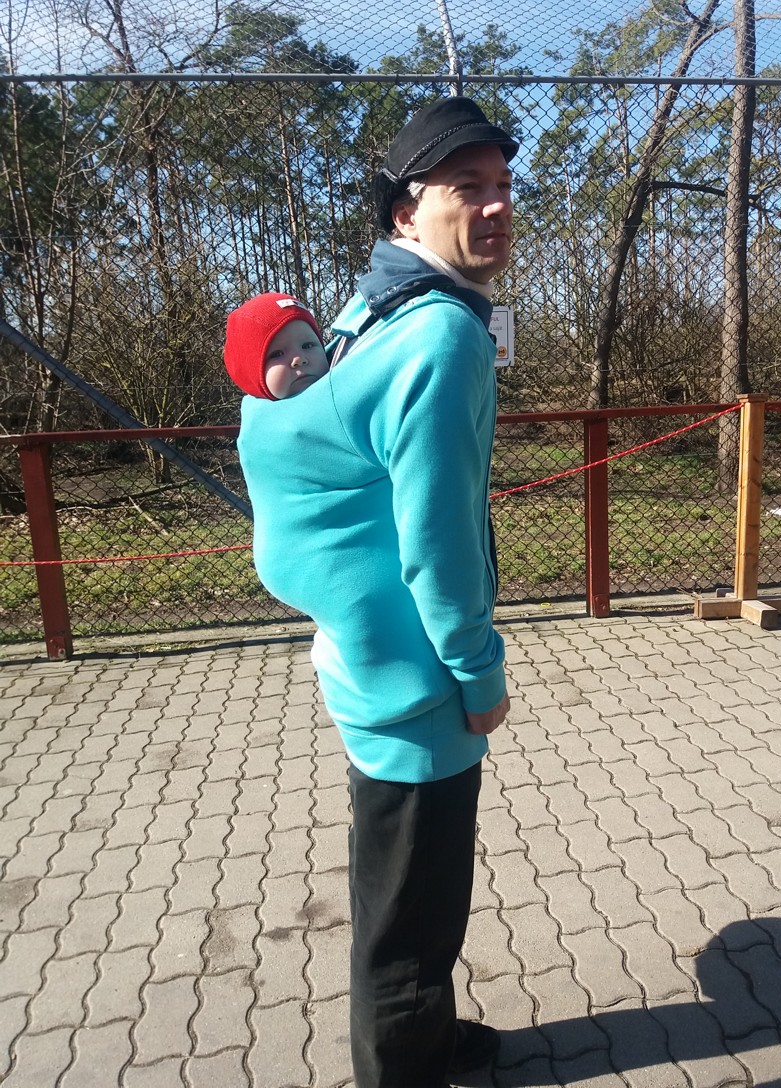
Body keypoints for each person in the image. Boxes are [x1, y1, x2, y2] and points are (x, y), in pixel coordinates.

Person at [236, 96, 518, 1088]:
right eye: (465, 187)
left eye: (502, 184)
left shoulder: (366, 311)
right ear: (406, 212)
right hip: (416, 686)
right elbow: (439, 540)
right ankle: (405, 1063)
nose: (495, 204)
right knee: (413, 917)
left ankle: (424, 1038)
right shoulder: (440, 338)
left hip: (364, 662)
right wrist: (479, 672)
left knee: (397, 892)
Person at [223, 291, 329, 401]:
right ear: (252, 374)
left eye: (307, 346)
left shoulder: (340, 383)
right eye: (277, 354)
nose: (299, 360)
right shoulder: (263, 412)